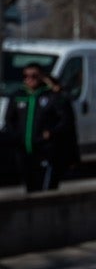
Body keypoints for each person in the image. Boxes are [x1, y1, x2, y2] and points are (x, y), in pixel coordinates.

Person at [4, 62, 73, 191]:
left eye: (34, 76)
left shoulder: (51, 96)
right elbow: (9, 119)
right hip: (24, 149)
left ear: (41, 77)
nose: (29, 79)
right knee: (30, 187)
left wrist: (51, 133)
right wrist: (15, 135)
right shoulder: (18, 96)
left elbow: (65, 120)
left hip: (45, 150)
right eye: (26, 76)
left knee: (45, 187)